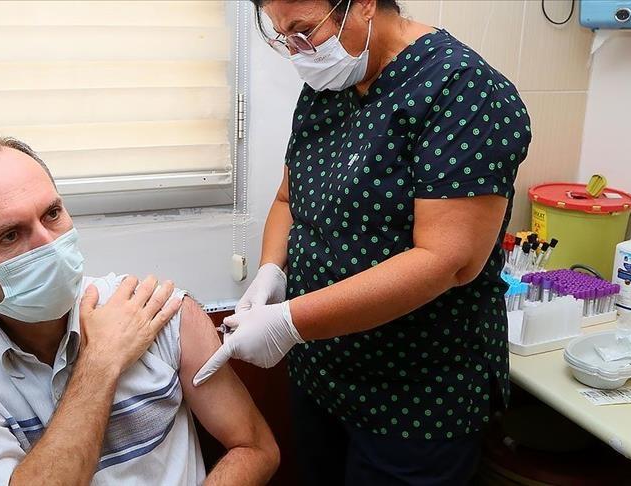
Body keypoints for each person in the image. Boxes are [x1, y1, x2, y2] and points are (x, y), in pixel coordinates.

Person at [194, 0, 531, 484]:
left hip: (415, 396)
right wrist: (272, 270)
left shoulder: (462, 89)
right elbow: (290, 199)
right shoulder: (330, 84)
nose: (297, 51)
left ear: (366, 4)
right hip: (323, 374)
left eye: (305, 30)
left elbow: (447, 260)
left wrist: (287, 322)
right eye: (281, 35)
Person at [0, 133, 279, 486]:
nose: (47, 244)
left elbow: (255, 448)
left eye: (52, 214)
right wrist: (101, 362)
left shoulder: (157, 311)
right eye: (10, 235)